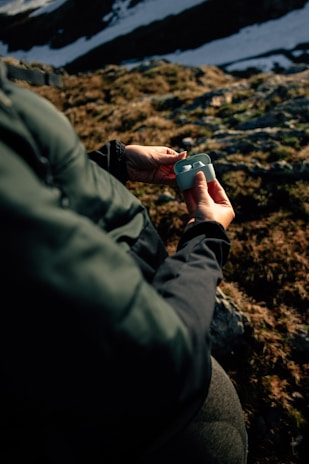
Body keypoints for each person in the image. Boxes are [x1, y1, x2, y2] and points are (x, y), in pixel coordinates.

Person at [0, 61, 247, 464]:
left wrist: (111, 164)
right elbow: (161, 356)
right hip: (145, 421)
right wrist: (206, 237)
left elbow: (33, 180)